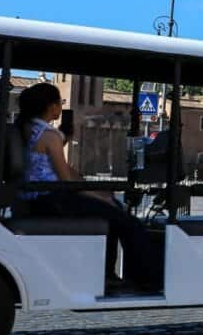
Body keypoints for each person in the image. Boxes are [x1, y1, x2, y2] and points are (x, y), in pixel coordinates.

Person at [16, 83, 160, 289]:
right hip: (53, 200)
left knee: (112, 210)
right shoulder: (50, 136)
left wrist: (93, 188)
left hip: (37, 197)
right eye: (60, 103)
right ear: (51, 106)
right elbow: (66, 180)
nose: (61, 108)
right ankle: (145, 279)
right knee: (128, 222)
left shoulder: (28, 128)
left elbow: (60, 168)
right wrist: (98, 195)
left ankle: (108, 273)